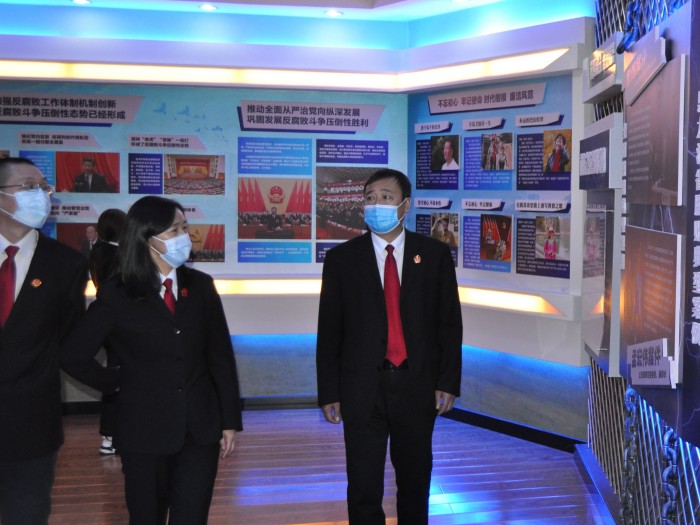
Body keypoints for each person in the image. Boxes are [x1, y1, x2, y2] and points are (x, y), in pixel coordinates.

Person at [61, 195, 242, 524]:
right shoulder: (119, 292)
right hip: (143, 431)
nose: (184, 236)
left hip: (199, 429)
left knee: (192, 515)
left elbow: (220, 356)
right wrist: (116, 382)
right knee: (147, 516)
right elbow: (73, 354)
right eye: (174, 230)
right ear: (146, 237)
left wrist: (229, 420)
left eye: (185, 228)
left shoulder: (201, 287)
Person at [316, 168, 462, 525]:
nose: (376, 204)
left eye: (385, 197)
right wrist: (329, 391)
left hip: (416, 385)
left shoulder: (434, 255)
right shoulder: (341, 260)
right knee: (363, 485)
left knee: (415, 481)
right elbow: (329, 331)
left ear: (405, 205)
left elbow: (449, 324)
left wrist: (447, 381)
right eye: (370, 198)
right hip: (361, 387)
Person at [0, 157, 91, 524]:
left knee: (27, 513)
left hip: (31, 423)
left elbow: (70, 341)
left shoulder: (66, 264)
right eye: (28, 186)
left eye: (44, 187)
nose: (40, 195)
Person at [89, 208, 128, 456]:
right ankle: (112, 435)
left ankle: (110, 436)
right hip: (120, 325)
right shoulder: (117, 255)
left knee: (116, 378)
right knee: (118, 380)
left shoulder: (99, 251)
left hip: (108, 324)